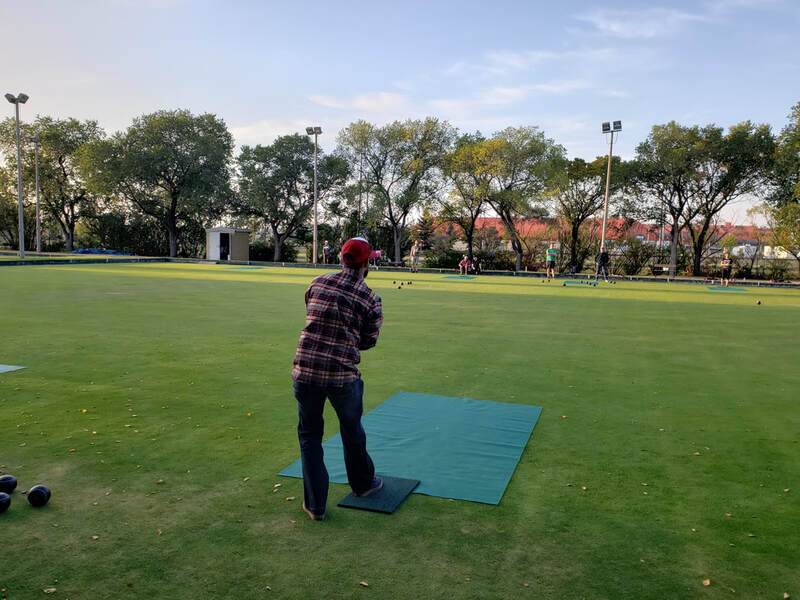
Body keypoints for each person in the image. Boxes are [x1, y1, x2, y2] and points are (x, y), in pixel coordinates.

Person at [291, 237, 384, 521]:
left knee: (309, 436)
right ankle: (363, 485)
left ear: (341, 259)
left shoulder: (317, 282)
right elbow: (368, 341)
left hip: (305, 370)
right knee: (352, 430)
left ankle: (315, 506)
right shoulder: (370, 299)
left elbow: (311, 311)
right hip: (342, 375)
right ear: (366, 264)